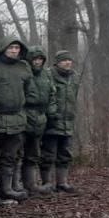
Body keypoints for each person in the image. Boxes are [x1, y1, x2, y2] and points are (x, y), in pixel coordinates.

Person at [0, 37, 32, 204]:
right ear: (3, 48)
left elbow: (27, 91)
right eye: (11, 47)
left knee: (10, 156)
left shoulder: (23, 68)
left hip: (17, 119)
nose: (14, 50)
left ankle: (7, 189)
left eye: (16, 48)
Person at [44, 50, 80, 192]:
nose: (68, 62)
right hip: (52, 122)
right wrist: (51, 115)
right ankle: (47, 183)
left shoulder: (74, 77)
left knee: (65, 154)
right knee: (48, 154)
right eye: (64, 60)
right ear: (57, 62)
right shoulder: (48, 75)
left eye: (69, 60)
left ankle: (62, 182)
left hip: (68, 122)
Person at [23, 48, 53, 195]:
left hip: (41, 117)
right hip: (24, 116)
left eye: (40, 59)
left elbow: (52, 93)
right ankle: (17, 185)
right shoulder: (24, 73)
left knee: (34, 153)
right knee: (17, 153)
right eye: (35, 59)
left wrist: (51, 111)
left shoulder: (46, 75)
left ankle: (31, 185)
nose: (37, 61)